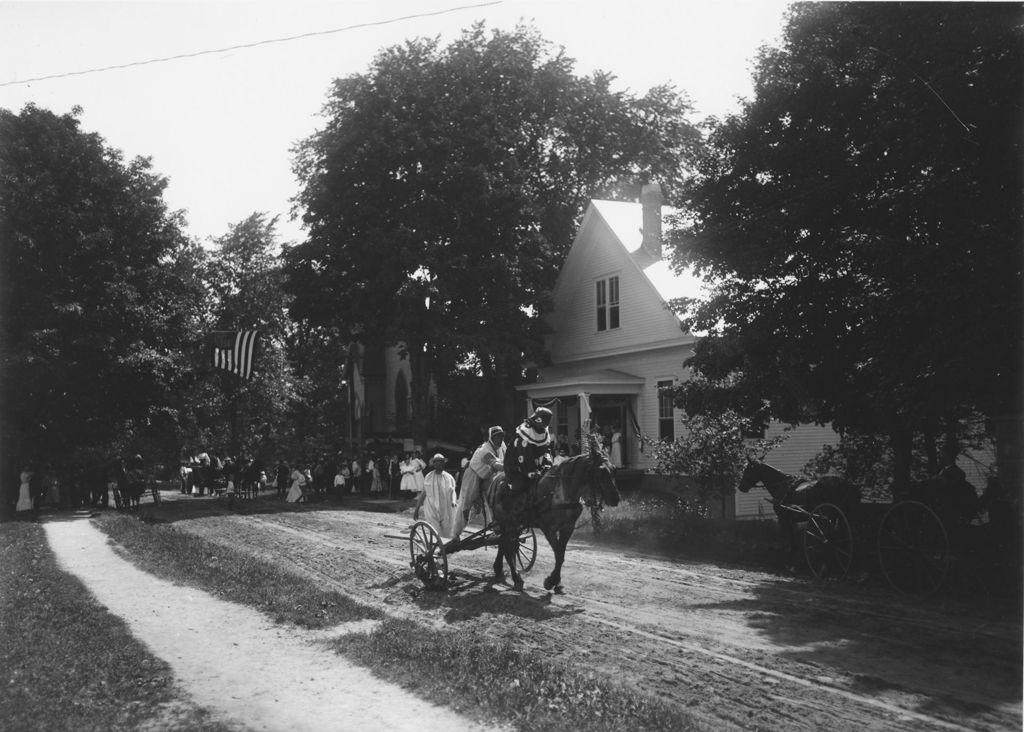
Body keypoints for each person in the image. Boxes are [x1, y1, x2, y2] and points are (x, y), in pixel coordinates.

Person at [450, 426, 506, 538]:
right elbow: (497, 465)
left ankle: (496, 528)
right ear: (491, 438)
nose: (499, 440)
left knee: (493, 500)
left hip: (488, 475)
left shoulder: (503, 446)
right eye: (496, 437)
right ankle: (456, 534)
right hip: (473, 475)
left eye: (501, 437)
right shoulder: (484, 450)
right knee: (465, 506)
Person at [505, 407, 554, 495]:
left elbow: (546, 450)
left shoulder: (543, 430)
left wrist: (548, 464)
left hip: (537, 467)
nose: (545, 427)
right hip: (518, 466)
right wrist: (531, 472)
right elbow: (524, 455)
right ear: (538, 420)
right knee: (520, 487)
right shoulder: (525, 432)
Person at [413, 454, 457, 538]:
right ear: (434, 464)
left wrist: (454, 501)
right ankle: (439, 548)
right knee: (436, 534)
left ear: (444, 463)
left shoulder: (449, 477)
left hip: (446, 510)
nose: (440, 464)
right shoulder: (428, 477)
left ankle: (445, 549)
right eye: (437, 462)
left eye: (441, 462)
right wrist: (417, 509)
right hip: (431, 509)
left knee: (447, 534)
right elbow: (423, 494)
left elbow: (453, 491)